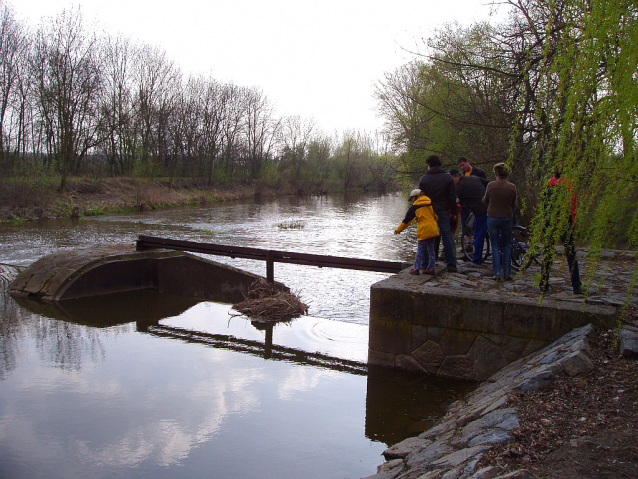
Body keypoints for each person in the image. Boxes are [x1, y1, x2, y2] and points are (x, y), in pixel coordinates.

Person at [539, 172, 583, 294]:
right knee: (570, 254)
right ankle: (576, 285)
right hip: (565, 220)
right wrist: (573, 223)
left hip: (550, 221)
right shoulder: (569, 184)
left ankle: (543, 282)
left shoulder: (548, 183)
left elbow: (544, 204)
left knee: (547, 251)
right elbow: (572, 205)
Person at [418, 155, 458, 272]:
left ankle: (426, 264)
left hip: (429, 211)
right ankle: (451, 264)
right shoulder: (448, 178)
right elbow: (452, 197)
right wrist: (454, 213)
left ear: (429, 165)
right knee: (447, 237)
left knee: (427, 236)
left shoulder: (424, 179)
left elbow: (420, 199)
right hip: (444, 209)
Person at [482, 163, 517, 280]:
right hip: (507, 216)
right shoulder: (512, 187)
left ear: (496, 174)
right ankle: (507, 272)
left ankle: (497, 273)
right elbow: (513, 203)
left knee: (495, 245)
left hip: (493, 216)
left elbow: (485, 200)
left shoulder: (491, 185)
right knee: (507, 245)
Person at [394, 189, 440, 275]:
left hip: (423, 229)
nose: (412, 200)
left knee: (420, 249)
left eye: (412, 198)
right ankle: (431, 268)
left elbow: (406, 221)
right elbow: (436, 216)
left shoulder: (415, 207)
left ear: (414, 197)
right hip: (433, 228)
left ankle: (416, 268)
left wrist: (398, 230)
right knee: (431, 249)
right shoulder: (430, 203)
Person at [450, 169, 488, 265]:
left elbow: (453, 200)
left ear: (457, 176)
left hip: (480, 210)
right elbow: (488, 183)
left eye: (452, 179)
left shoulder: (459, 186)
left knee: (478, 234)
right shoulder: (473, 177)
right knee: (495, 231)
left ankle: (477, 259)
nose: (452, 182)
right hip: (491, 207)